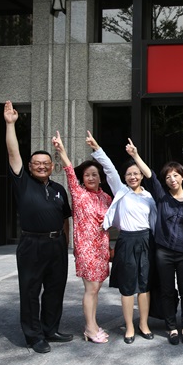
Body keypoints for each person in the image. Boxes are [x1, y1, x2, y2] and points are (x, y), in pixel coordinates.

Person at [3, 100, 73, 354]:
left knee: (55, 289)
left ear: (52, 167)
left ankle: (50, 329)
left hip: (56, 245)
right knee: (30, 291)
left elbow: (65, 218)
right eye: (37, 163)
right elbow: (13, 154)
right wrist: (11, 124)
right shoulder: (23, 183)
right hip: (32, 244)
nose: (42, 166)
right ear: (30, 167)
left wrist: (65, 244)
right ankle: (34, 336)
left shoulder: (58, 189)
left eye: (46, 163)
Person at [125, 139, 183, 345]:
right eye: (168, 176)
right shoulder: (161, 197)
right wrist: (135, 155)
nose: (172, 179)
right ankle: (171, 327)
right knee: (167, 290)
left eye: (175, 175)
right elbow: (149, 175)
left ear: (182, 176)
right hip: (164, 252)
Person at [89, 132, 157, 344]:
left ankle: (143, 324)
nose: (133, 177)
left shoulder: (149, 196)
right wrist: (97, 148)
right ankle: (129, 327)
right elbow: (109, 168)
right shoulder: (121, 191)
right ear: (125, 177)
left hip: (146, 241)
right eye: (129, 174)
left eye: (136, 173)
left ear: (141, 175)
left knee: (144, 286)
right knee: (128, 287)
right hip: (126, 241)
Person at [52, 131, 113, 344]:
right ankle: (89, 328)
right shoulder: (79, 194)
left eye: (94, 174)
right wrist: (61, 150)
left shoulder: (106, 197)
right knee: (91, 288)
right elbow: (69, 171)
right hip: (86, 248)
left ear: (100, 177)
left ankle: (93, 323)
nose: (91, 178)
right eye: (87, 175)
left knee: (96, 289)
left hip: (102, 248)